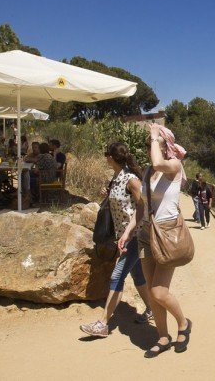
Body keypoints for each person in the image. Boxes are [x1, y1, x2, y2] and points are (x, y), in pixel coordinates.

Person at [80, 142, 153, 337]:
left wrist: (129, 232)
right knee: (138, 275)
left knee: (117, 275)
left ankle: (103, 324)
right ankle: (152, 308)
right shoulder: (116, 178)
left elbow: (142, 207)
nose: (105, 158)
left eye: (106, 155)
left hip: (135, 236)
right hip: (124, 236)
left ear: (111, 158)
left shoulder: (131, 179)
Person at [133, 123, 192, 358]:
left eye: (153, 144)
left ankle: (184, 323)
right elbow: (143, 202)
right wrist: (131, 230)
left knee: (159, 292)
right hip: (147, 234)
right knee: (151, 291)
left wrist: (156, 136)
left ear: (164, 145)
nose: (150, 148)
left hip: (168, 234)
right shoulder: (149, 170)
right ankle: (163, 337)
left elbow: (159, 162)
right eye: (149, 145)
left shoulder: (173, 166)